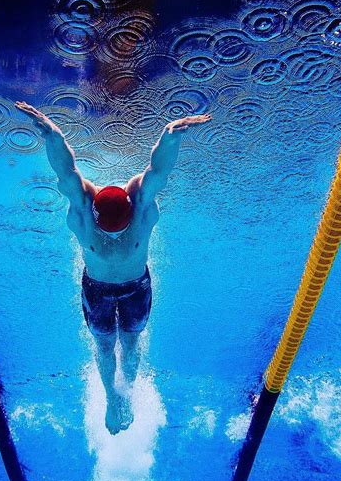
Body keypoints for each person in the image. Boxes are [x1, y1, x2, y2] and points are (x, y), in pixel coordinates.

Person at [15, 101, 211, 434]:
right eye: (109, 232)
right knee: (105, 344)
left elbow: (158, 172)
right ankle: (111, 398)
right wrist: (52, 132)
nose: (116, 237)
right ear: (93, 216)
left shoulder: (140, 201)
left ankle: (128, 395)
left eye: (122, 230)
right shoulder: (82, 205)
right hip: (97, 290)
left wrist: (169, 136)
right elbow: (66, 171)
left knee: (131, 342)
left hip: (137, 287)